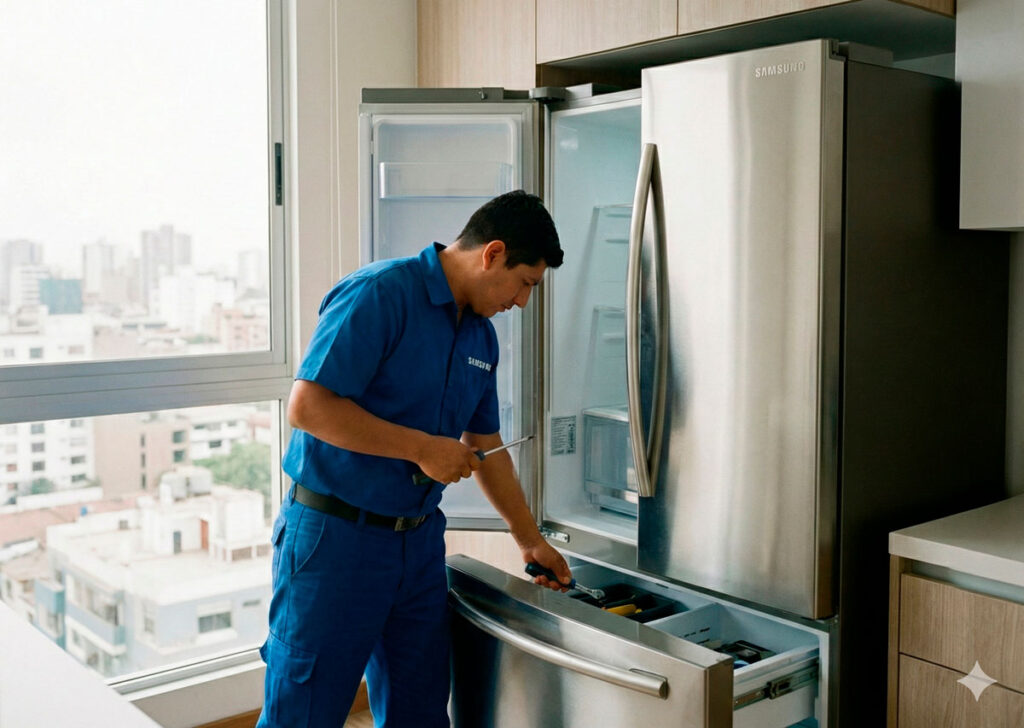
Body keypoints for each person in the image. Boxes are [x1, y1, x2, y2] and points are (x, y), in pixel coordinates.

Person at [257, 190, 573, 727]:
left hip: (419, 545)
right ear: (492, 253)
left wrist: (528, 539)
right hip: (334, 541)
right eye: (526, 283)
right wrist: (421, 448)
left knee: (421, 712)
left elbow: (486, 448)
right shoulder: (380, 293)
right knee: (303, 715)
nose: (522, 302)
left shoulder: (481, 337)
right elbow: (308, 407)